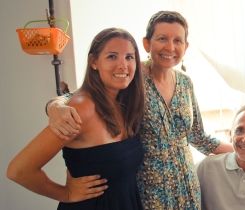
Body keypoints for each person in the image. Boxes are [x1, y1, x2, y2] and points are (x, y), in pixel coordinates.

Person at [45, 11, 233, 210]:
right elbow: (84, 93)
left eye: (178, 40)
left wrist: (241, 152)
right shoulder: (131, 77)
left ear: (185, 47)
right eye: (162, 38)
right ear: (146, 44)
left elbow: (196, 135)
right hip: (148, 193)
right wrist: (54, 106)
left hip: (187, 189)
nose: (170, 47)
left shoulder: (186, 83)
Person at [7, 28, 145, 210]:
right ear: (94, 62)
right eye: (112, 56)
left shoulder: (123, 102)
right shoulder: (82, 108)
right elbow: (19, 170)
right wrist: (65, 193)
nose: (123, 65)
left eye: (129, 57)